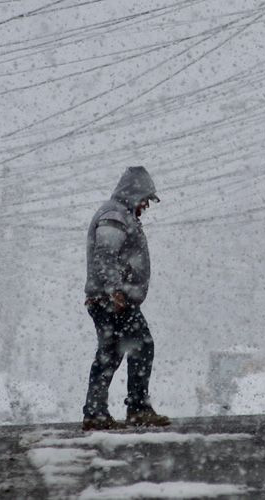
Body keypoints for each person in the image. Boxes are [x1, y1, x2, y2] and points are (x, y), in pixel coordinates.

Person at [82, 166, 171, 431]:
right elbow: (105, 253)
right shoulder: (115, 214)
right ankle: (137, 407)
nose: (146, 205)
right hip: (113, 300)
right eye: (145, 198)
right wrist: (114, 290)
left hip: (108, 298)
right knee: (142, 345)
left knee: (109, 353)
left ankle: (96, 412)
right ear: (134, 193)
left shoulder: (120, 214)